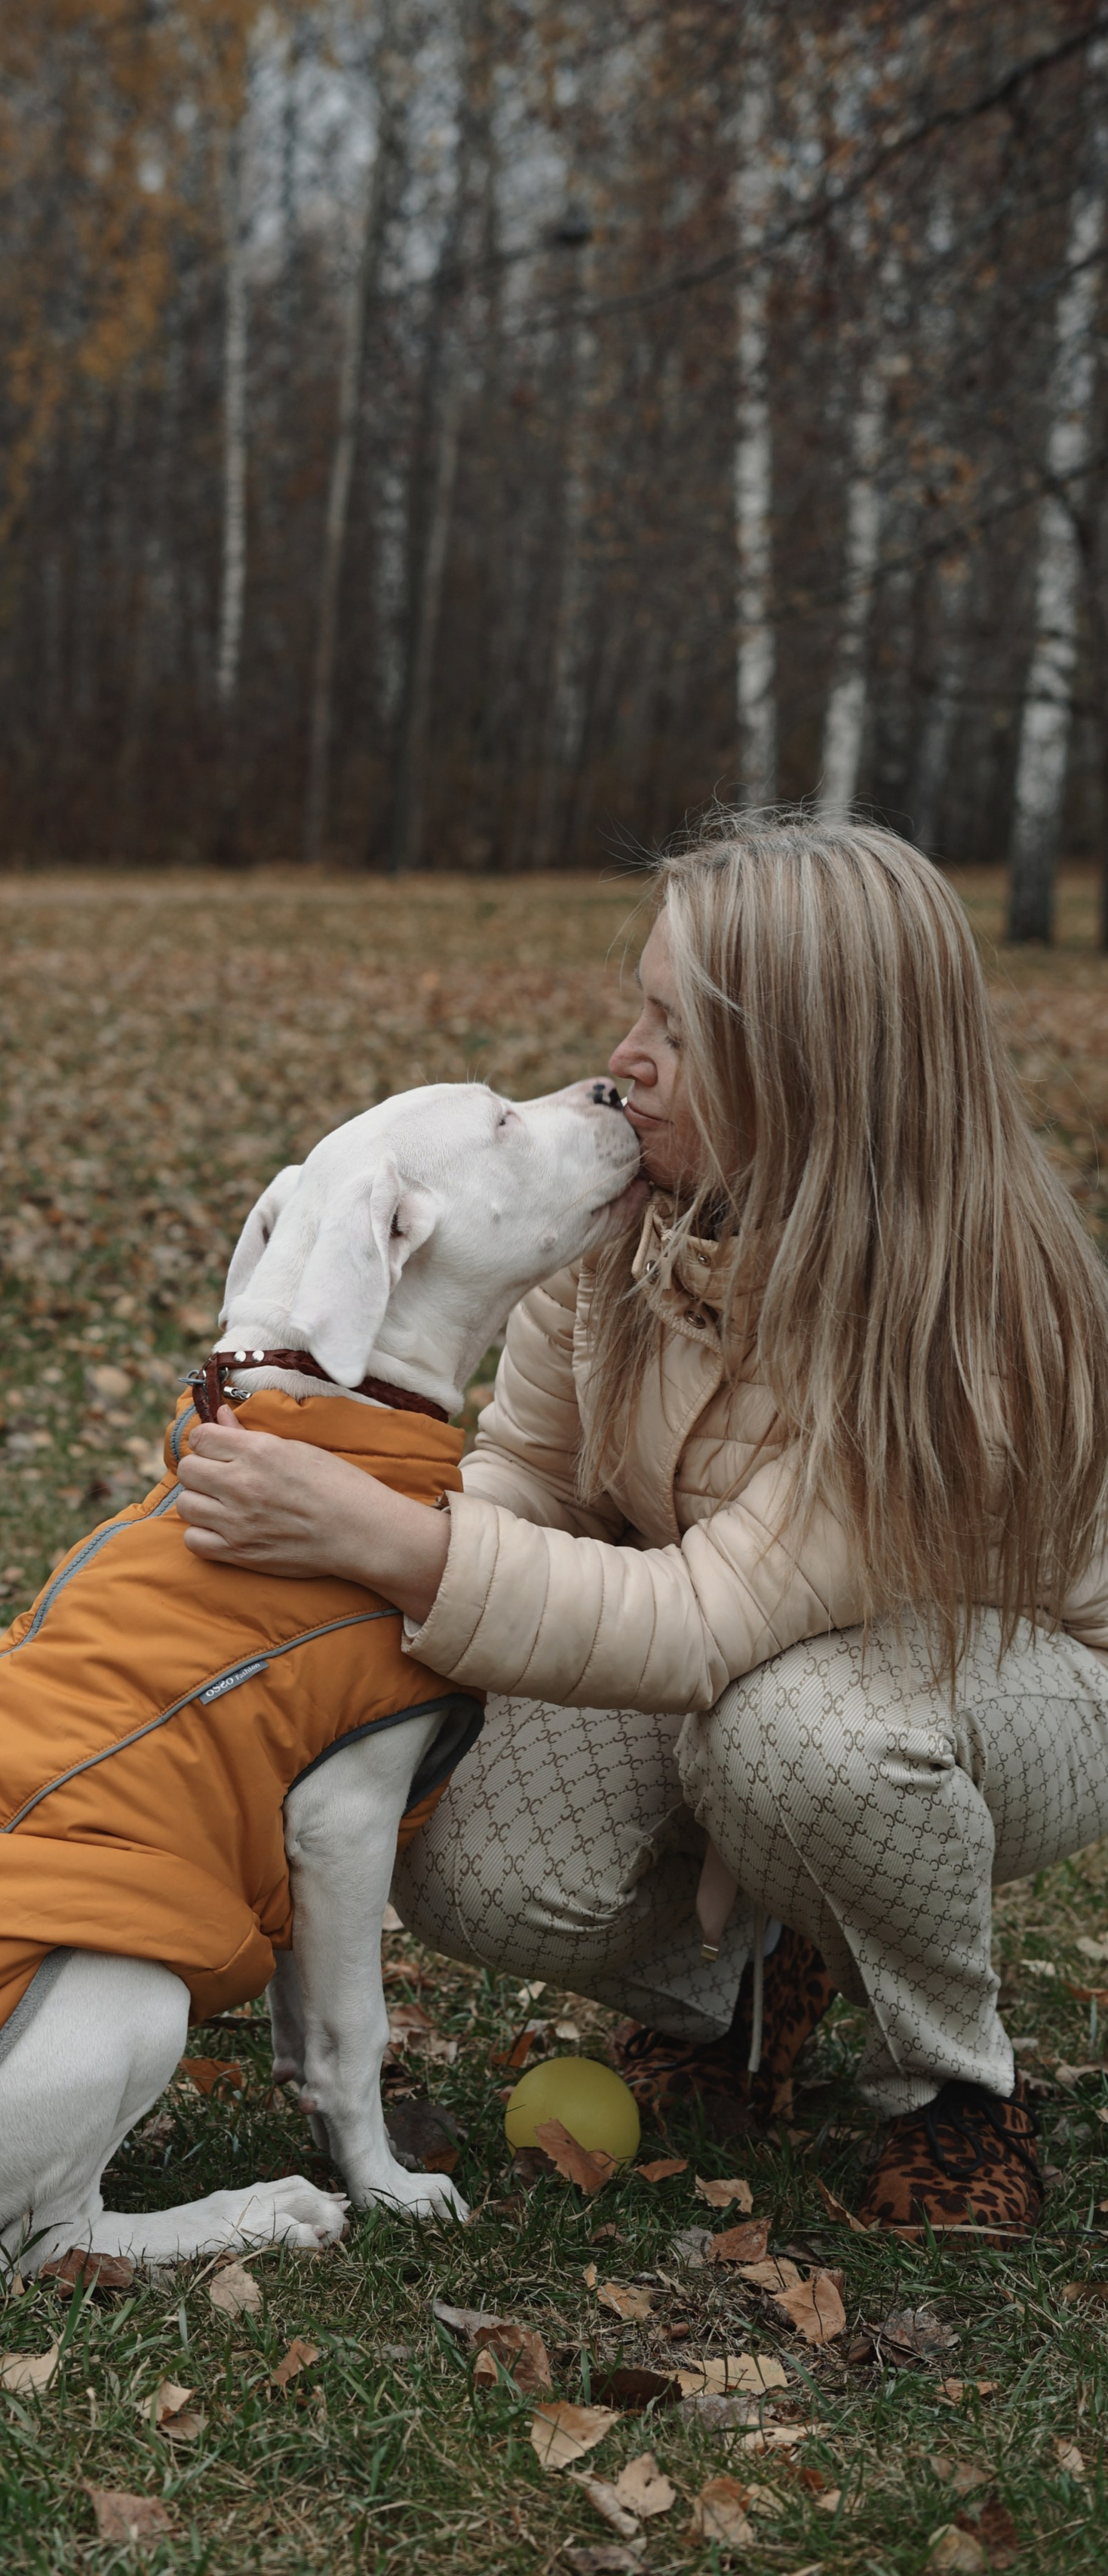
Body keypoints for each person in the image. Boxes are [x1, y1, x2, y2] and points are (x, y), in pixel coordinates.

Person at [176, 816, 1108, 2235]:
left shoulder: (953, 1314)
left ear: (814, 1066)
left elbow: (700, 1624)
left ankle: (956, 2089)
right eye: (641, 1008)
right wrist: (324, 1520)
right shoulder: (632, 1214)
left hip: (1011, 1679)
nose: (626, 1056)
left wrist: (380, 1538)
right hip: (753, 1657)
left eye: (678, 1028)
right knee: (434, 1804)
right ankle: (743, 1991)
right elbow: (530, 1478)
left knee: (800, 1746)